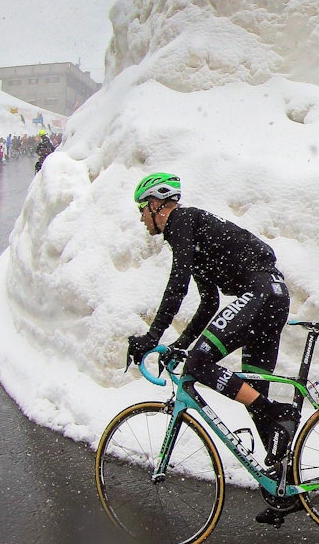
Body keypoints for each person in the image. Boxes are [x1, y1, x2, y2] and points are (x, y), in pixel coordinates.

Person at [126, 172, 301, 524]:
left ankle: (278, 412)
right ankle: (285, 488)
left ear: (158, 205)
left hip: (261, 291)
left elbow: (176, 286)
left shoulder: (182, 222)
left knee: (201, 364)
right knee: (253, 395)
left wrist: (152, 337)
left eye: (142, 209)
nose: (142, 217)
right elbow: (208, 303)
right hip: (271, 295)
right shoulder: (196, 233)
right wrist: (177, 344)